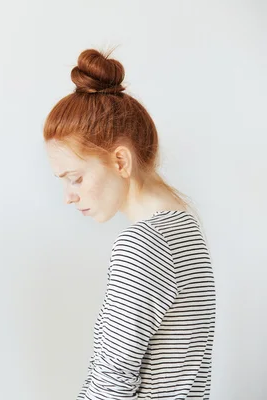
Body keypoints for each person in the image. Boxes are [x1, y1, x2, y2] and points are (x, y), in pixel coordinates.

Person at [43, 49, 215, 399]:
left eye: (74, 178)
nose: (68, 196)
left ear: (120, 160)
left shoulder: (143, 245)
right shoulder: (186, 230)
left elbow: (112, 381)